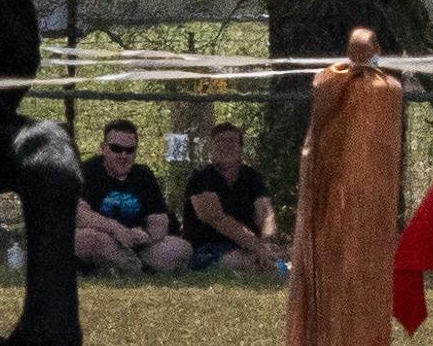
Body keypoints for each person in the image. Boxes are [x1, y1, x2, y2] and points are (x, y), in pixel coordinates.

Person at [177, 120, 282, 279]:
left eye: (232, 141)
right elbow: (215, 218)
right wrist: (255, 245)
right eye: (220, 141)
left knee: (293, 255)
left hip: (249, 246)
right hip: (207, 248)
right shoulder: (201, 177)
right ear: (211, 148)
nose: (226, 146)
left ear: (241, 148)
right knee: (247, 262)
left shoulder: (252, 176)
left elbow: (266, 214)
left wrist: (265, 242)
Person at [74, 119, 173, 271]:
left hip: (138, 244)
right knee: (86, 239)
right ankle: (135, 268)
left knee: (181, 248)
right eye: (116, 149)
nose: (123, 155)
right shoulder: (87, 171)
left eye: (130, 150)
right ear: (103, 148)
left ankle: (128, 266)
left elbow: (159, 218)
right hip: (104, 238)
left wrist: (147, 236)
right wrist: (117, 229)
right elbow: (79, 215)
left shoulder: (144, 175)